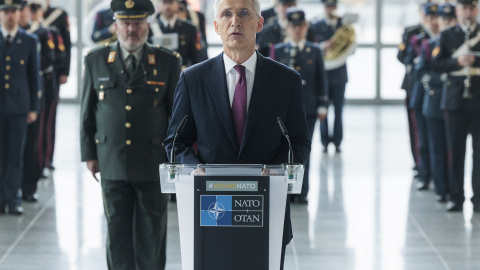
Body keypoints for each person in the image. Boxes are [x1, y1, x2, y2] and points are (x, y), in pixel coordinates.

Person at [163, 0, 311, 268]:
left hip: (266, 207)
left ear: (259, 23)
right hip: (211, 208)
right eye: (227, 14)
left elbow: (298, 141)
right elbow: (176, 141)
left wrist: (279, 170)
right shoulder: (193, 79)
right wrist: (195, 170)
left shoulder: (286, 80)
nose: (235, 21)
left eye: (244, 13)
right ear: (216, 26)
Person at [80, 0, 182, 268]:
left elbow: (177, 117)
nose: (131, 30)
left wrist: (176, 159)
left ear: (147, 26)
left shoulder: (167, 62)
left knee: (152, 232)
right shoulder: (96, 59)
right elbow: (87, 113)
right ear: (116, 26)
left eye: (137, 23)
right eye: (125, 23)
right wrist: (89, 154)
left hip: (153, 160)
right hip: (111, 159)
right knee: (117, 233)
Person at [271, 7, 328, 203]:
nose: (297, 30)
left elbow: (322, 80)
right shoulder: (279, 50)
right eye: (293, 26)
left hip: (309, 108)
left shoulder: (315, 50)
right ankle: (287, 190)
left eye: (300, 26)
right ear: (288, 27)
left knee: (305, 150)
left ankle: (302, 191)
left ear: (305, 27)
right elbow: (273, 81)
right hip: (284, 110)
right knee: (285, 150)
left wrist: (323, 105)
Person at [432, 0, 480, 212]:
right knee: (456, 151)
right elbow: (436, 64)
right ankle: (456, 196)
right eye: (464, 8)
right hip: (454, 100)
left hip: (478, 98)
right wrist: (457, 63)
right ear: (458, 10)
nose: (468, 12)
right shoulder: (448, 34)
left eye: (472, 8)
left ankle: (478, 198)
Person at [0, 0, 40, 214]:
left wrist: (34, 107)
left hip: (19, 107)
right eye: (5, 12)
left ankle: (13, 198)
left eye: (13, 11)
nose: (9, 16)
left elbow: (34, 78)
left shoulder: (29, 41)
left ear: (18, 13)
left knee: (16, 155)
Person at [416, 3, 457, 202]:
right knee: (438, 149)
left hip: (456, 104)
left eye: (451, 20)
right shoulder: (429, 45)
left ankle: (455, 190)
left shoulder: (459, 45)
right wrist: (442, 79)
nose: (447, 23)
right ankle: (442, 189)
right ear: (437, 22)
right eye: (444, 20)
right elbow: (420, 71)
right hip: (434, 102)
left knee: (454, 150)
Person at [19, 0, 56, 202]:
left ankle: (29, 183)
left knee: (36, 138)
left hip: (35, 90)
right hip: (11, 96)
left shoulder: (39, 34)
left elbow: (49, 58)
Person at [311, 0, 352, 153]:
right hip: (323, 74)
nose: (330, 9)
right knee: (323, 109)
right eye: (327, 6)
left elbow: (351, 45)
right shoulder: (316, 24)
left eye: (332, 6)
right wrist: (324, 46)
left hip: (340, 73)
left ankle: (337, 141)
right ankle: (324, 142)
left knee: (339, 110)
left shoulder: (344, 25)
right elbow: (314, 46)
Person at [408, 3, 439, 191]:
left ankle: (439, 177)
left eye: (437, 18)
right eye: (430, 18)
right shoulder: (418, 39)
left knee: (440, 142)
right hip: (421, 93)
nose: (434, 22)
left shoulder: (446, 38)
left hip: (442, 95)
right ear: (424, 19)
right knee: (423, 139)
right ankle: (424, 173)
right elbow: (409, 60)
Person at [397, 3, 427, 175]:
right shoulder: (411, 32)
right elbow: (401, 55)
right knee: (414, 126)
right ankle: (418, 162)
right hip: (412, 84)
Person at [42, 0, 70, 171]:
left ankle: (47, 158)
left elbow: (66, 43)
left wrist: (65, 71)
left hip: (53, 73)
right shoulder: (24, 11)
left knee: (49, 119)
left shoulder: (59, 14)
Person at [151, 0, 200, 67]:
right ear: (159, 5)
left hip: (181, 73)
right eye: (164, 2)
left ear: (177, 4)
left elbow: (196, 58)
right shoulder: (150, 29)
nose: (168, 6)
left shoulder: (189, 28)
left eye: (171, 2)